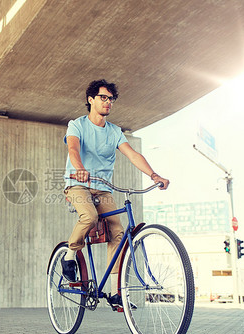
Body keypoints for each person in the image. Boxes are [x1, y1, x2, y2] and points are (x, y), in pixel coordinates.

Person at [62, 79, 169, 309]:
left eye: (111, 99)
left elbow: (131, 154)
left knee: (118, 232)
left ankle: (115, 292)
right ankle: (70, 256)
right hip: (78, 183)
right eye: (103, 97)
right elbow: (73, 148)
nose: (108, 102)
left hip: (103, 187)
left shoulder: (114, 131)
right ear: (91, 100)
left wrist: (154, 175)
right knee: (89, 217)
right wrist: (79, 169)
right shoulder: (77, 125)